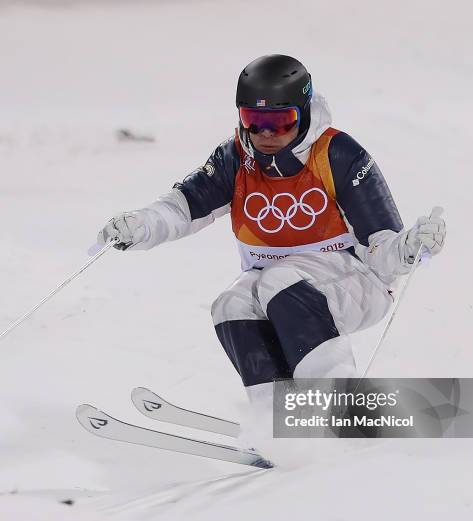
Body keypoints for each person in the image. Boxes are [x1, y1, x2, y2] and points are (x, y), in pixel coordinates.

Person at [97, 54, 446, 400]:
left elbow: (383, 248)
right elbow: (182, 207)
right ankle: (274, 419)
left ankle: (334, 404)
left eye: (280, 122)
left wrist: (411, 248)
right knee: (232, 304)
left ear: (304, 112)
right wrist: (140, 225)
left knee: (282, 281)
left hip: (357, 282)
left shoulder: (337, 154)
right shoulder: (235, 157)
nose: (265, 133)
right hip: (275, 286)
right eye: (253, 119)